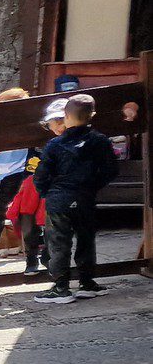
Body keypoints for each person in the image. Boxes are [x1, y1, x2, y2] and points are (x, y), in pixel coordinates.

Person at [30, 95, 119, 303]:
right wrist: (92, 186)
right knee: (86, 239)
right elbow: (110, 170)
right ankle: (86, 282)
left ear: (66, 116)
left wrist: (47, 193)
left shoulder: (54, 145)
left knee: (58, 243)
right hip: (85, 197)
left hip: (59, 199)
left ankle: (61, 287)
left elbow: (41, 176)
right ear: (92, 115)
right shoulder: (100, 141)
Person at [0, 88, 31, 257]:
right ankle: (27, 244)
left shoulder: (8, 127)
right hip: (18, 170)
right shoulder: (23, 125)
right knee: (19, 210)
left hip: (8, 173)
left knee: (0, 211)